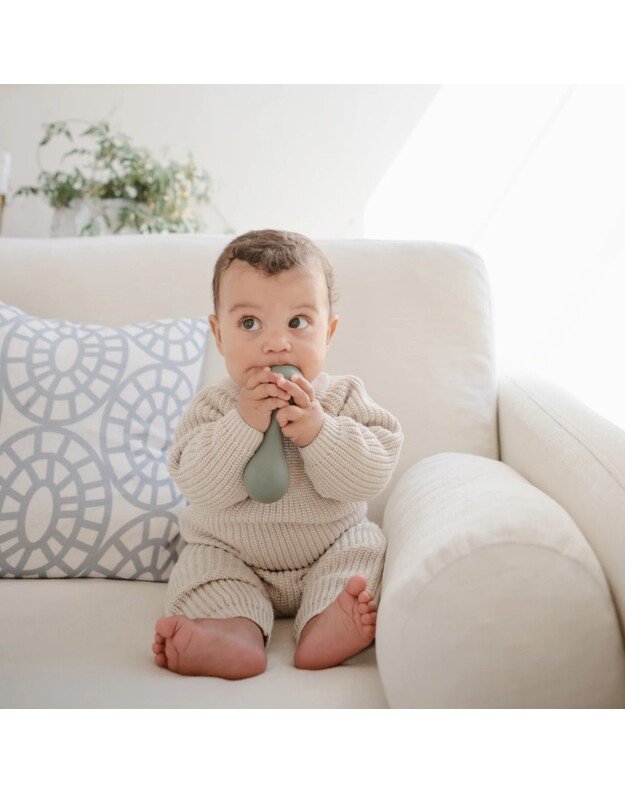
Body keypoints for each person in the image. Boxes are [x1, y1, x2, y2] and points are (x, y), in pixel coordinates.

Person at [151, 229, 404, 679]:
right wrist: (241, 424)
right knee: (200, 566)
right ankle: (232, 633)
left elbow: (371, 472)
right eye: (250, 323)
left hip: (328, 547)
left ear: (328, 333)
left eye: (298, 323)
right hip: (234, 555)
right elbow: (198, 484)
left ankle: (329, 622)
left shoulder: (342, 397)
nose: (276, 344)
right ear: (219, 334)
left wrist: (318, 431)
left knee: (366, 546)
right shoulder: (214, 406)